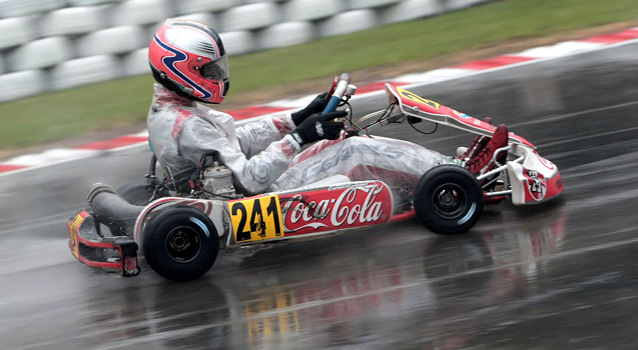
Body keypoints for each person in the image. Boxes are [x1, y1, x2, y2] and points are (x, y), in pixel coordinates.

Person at [146, 19, 507, 201]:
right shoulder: (188, 125)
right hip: (256, 200)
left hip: (227, 190)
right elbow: (252, 178)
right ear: (182, 69)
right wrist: (301, 138)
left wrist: (298, 118)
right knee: (354, 149)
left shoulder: (171, 112)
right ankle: (462, 175)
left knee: (339, 140)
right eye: (209, 70)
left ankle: (434, 176)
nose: (217, 75)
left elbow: (235, 142)